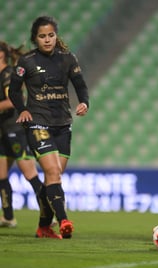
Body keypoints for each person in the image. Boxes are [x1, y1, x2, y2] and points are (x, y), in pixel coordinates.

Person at [9, 16, 90, 239]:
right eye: (42, 36)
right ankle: (63, 219)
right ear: (35, 39)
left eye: (51, 35)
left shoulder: (67, 59)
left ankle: (44, 227)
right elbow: (14, 91)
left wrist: (84, 102)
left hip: (63, 124)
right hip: (37, 122)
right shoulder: (26, 61)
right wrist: (23, 109)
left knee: (53, 178)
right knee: (53, 172)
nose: (47, 40)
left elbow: (80, 85)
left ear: (56, 36)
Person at [0, 41, 47, 229]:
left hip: (15, 129)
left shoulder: (9, 74)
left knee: (30, 174)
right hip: (2, 131)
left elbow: (13, 101)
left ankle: (49, 214)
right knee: (1, 175)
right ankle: (9, 217)